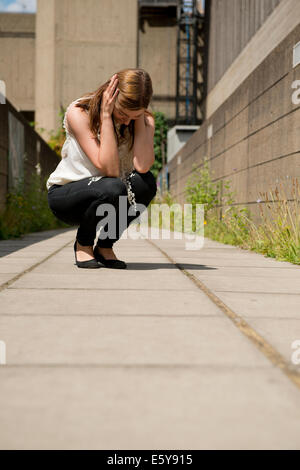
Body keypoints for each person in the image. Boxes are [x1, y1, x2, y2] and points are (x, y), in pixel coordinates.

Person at [46, 68, 157, 269]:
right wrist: (106, 116)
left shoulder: (144, 121)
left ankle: (105, 246)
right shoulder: (79, 113)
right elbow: (109, 169)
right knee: (112, 186)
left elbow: (142, 166)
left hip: (110, 196)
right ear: (110, 95)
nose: (126, 120)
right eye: (123, 113)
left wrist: (140, 119)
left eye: (134, 116)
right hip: (68, 197)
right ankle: (84, 243)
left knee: (145, 183)